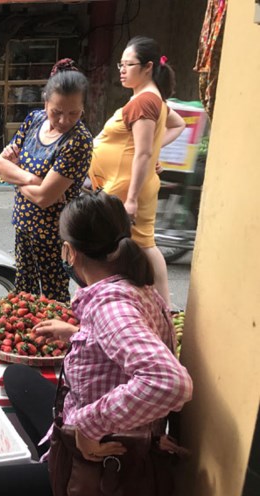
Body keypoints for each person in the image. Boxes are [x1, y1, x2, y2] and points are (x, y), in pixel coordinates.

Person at [0, 191, 193, 496]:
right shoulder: (134, 287)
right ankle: (52, 448)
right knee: (17, 377)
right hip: (96, 424)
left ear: (70, 252)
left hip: (100, 462)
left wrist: (87, 428)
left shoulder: (111, 308)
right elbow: (125, 339)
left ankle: (51, 474)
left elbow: (170, 382)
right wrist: (78, 333)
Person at [89, 36, 187, 305]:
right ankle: (156, 305)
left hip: (126, 186)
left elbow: (143, 152)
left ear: (147, 67)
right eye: (120, 64)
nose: (121, 69)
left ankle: (154, 304)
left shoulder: (144, 102)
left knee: (132, 246)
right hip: (129, 182)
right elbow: (177, 126)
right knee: (142, 244)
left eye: (128, 64)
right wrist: (155, 151)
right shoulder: (154, 99)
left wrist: (130, 199)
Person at [0, 59, 92, 303]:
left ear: (83, 108)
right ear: (46, 102)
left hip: (54, 236)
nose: (64, 120)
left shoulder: (78, 141)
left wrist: (14, 174)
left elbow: (44, 198)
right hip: (23, 225)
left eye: (74, 113)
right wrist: (34, 179)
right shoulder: (33, 120)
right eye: (56, 112)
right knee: (23, 294)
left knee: (52, 300)